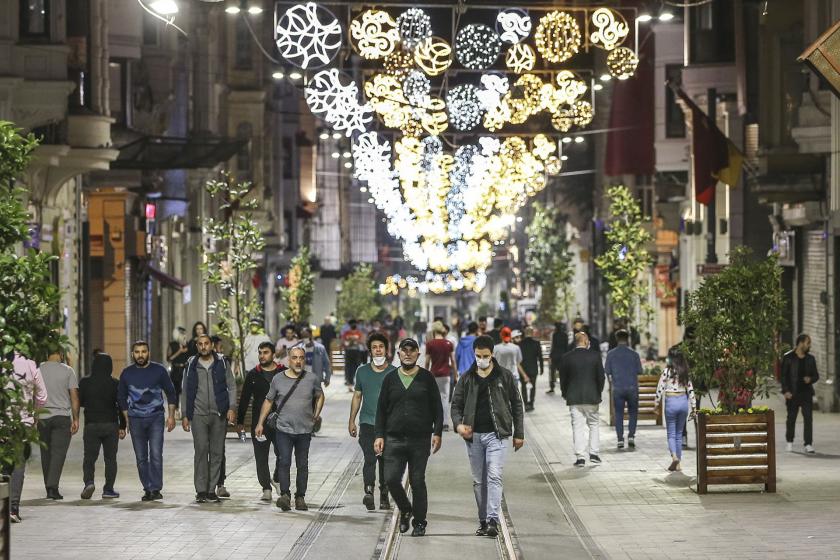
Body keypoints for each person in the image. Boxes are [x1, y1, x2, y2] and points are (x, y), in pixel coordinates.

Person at [451, 335, 525, 538]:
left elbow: (517, 405)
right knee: (478, 481)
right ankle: (483, 519)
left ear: (492, 354)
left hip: (496, 434)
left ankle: (493, 520)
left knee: (494, 475)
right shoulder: (467, 378)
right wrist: (458, 425)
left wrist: (519, 433)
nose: (481, 359)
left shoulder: (505, 376)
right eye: (477, 356)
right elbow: (456, 405)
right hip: (473, 437)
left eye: (485, 356)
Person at [374, 338, 443, 537]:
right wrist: (379, 435)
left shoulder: (426, 378)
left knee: (417, 480)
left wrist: (437, 432)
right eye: (404, 351)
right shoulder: (390, 379)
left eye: (412, 351)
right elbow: (381, 411)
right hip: (393, 439)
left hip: (420, 440)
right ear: (398, 354)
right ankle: (405, 509)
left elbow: (437, 408)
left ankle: (420, 522)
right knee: (391, 479)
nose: (408, 354)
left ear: (418, 355)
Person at [255, 345, 325, 511]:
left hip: (304, 430)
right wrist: (260, 423)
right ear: (288, 359)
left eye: (301, 358)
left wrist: (316, 414)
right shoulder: (278, 379)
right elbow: (268, 401)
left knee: (302, 464)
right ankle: (285, 495)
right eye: (294, 358)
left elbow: (320, 395)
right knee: (284, 461)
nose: (298, 361)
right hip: (283, 429)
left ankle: (300, 497)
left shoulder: (311, 378)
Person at [117, 341, 177, 501]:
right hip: (135, 419)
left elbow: (171, 392)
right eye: (137, 352)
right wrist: (126, 418)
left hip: (156, 418)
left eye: (143, 351)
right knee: (141, 457)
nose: (140, 355)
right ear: (132, 354)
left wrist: (171, 416)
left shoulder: (159, 370)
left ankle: (156, 488)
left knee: (156, 454)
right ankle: (148, 488)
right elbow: (121, 397)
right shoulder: (126, 373)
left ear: (148, 353)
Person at [181, 334, 237, 503]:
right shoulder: (191, 364)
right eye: (200, 344)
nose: (204, 346)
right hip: (198, 415)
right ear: (197, 346)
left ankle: (211, 490)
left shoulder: (221, 362)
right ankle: (201, 490)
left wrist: (232, 407)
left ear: (212, 345)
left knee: (217, 452)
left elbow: (232, 385)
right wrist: (184, 415)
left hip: (219, 413)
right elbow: (185, 391)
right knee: (200, 451)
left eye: (206, 343)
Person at [349, 332, 396, 511]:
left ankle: (384, 494)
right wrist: (351, 420)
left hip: (388, 425)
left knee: (384, 460)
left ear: (386, 350)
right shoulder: (362, 371)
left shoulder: (393, 373)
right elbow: (357, 396)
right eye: (374, 347)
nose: (378, 350)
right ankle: (368, 492)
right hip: (367, 423)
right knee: (370, 458)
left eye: (381, 347)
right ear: (370, 350)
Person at [237, 341, 285, 501]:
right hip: (260, 424)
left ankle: (277, 479)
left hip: (281, 421)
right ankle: (266, 488)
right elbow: (244, 398)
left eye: (265, 352)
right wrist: (240, 421)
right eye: (260, 352)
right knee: (261, 456)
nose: (262, 356)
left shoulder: (283, 372)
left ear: (273, 354)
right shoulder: (253, 374)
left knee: (283, 454)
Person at [4, 352, 47, 522]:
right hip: (23, 423)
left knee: (3, 465)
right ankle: (13, 509)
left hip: (2, 422)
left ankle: (3, 507)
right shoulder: (30, 364)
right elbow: (42, 396)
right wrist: (34, 414)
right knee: (18, 464)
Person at [79, 353, 126, 500]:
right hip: (111, 425)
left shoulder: (85, 382)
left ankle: (89, 482)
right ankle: (108, 489)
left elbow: (80, 402)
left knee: (89, 458)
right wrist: (122, 426)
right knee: (110, 459)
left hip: (91, 424)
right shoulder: (115, 383)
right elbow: (120, 406)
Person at [38, 348, 80, 499]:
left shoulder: (38, 370)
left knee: (46, 454)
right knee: (58, 454)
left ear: (46, 354)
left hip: (42, 417)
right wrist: (76, 418)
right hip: (62, 416)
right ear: (61, 355)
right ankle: (52, 488)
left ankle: (49, 486)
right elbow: (74, 396)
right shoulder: (68, 371)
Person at [559, 332, 605, 467]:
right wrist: (598, 392)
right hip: (592, 397)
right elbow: (601, 377)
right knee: (594, 425)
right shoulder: (595, 356)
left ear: (576, 342)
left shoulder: (567, 357)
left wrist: (565, 393)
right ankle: (594, 454)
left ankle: (580, 457)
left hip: (574, 397)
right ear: (586, 342)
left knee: (577, 427)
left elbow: (563, 379)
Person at [654, 348, 696, 471]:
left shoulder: (666, 371)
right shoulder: (685, 372)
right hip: (683, 402)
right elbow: (691, 390)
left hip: (671, 403)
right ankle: (678, 464)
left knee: (671, 434)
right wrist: (694, 407)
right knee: (679, 434)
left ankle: (674, 458)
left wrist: (656, 404)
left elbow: (660, 389)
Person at [605, 329, 643, 449]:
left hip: (618, 388)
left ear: (617, 339)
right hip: (632, 388)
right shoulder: (634, 354)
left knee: (619, 413)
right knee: (633, 413)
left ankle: (620, 439)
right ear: (628, 339)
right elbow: (640, 371)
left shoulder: (611, 354)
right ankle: (631, 436)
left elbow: (607, 371)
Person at [781, 333, 819, 454]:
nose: (809, 345)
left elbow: (816, 376)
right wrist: (786, 391)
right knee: (791, 419)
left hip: (806, 393)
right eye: (808, 343)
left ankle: (808, 444)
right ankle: (789, 442)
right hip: (792, 393)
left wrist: (810, 379)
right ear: (801, 343)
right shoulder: (788, 357)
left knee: (808, 419)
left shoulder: (810, 359)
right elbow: (783, 377)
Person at [424, 321, 457, 431]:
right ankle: (445, 423)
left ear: (433, 331)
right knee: (445, 399)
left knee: (434, 399)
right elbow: (452, 361)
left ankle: (435, 422)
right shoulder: (448, 343)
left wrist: (425, 374)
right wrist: (456, 374)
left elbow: (427, 362)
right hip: (446, 375)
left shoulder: (430, 344)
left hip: (434, 374)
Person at [516, 327, 543, 412]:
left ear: (524, 333)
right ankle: (531, 404)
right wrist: (542, 368)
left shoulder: (520, 344)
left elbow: (517, 359)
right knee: (533, 386)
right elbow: (540, 357)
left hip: (523, 369)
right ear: (532, 333)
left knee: (523, 387)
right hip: (533, 368)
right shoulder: (536, 343)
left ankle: (526, 404)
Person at [166, 326, 189, 419]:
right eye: (181, 333)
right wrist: (179, 351)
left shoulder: (187, 345)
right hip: (175, 369)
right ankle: (176, 410)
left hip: (184, 369)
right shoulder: (172, 345)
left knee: (184, 391)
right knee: (175, 391)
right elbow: (169, 358)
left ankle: (185, 411)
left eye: (184, 334)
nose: (183, 335)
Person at [342, 319, 366, 389]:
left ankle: (352, 380)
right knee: (348, 367)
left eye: (354, 324)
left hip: (356, 351)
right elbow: (343, 341)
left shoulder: (359, 333)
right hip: (348, 351)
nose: (353, 325)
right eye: (352, 324)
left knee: (356, 366)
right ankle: (349, 381)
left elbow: (362, 341)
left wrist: (357, 341)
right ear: (350, 325)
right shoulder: (346, 333)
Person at [548, 321, 568, 394]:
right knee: (562, 373)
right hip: (563, 356)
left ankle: (552, 388)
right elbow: (566, 346)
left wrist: (550, 356)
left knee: (552, 372)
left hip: (555, 356)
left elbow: (553, 346)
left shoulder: (555, 335)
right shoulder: (565, 335)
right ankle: (563, 389)